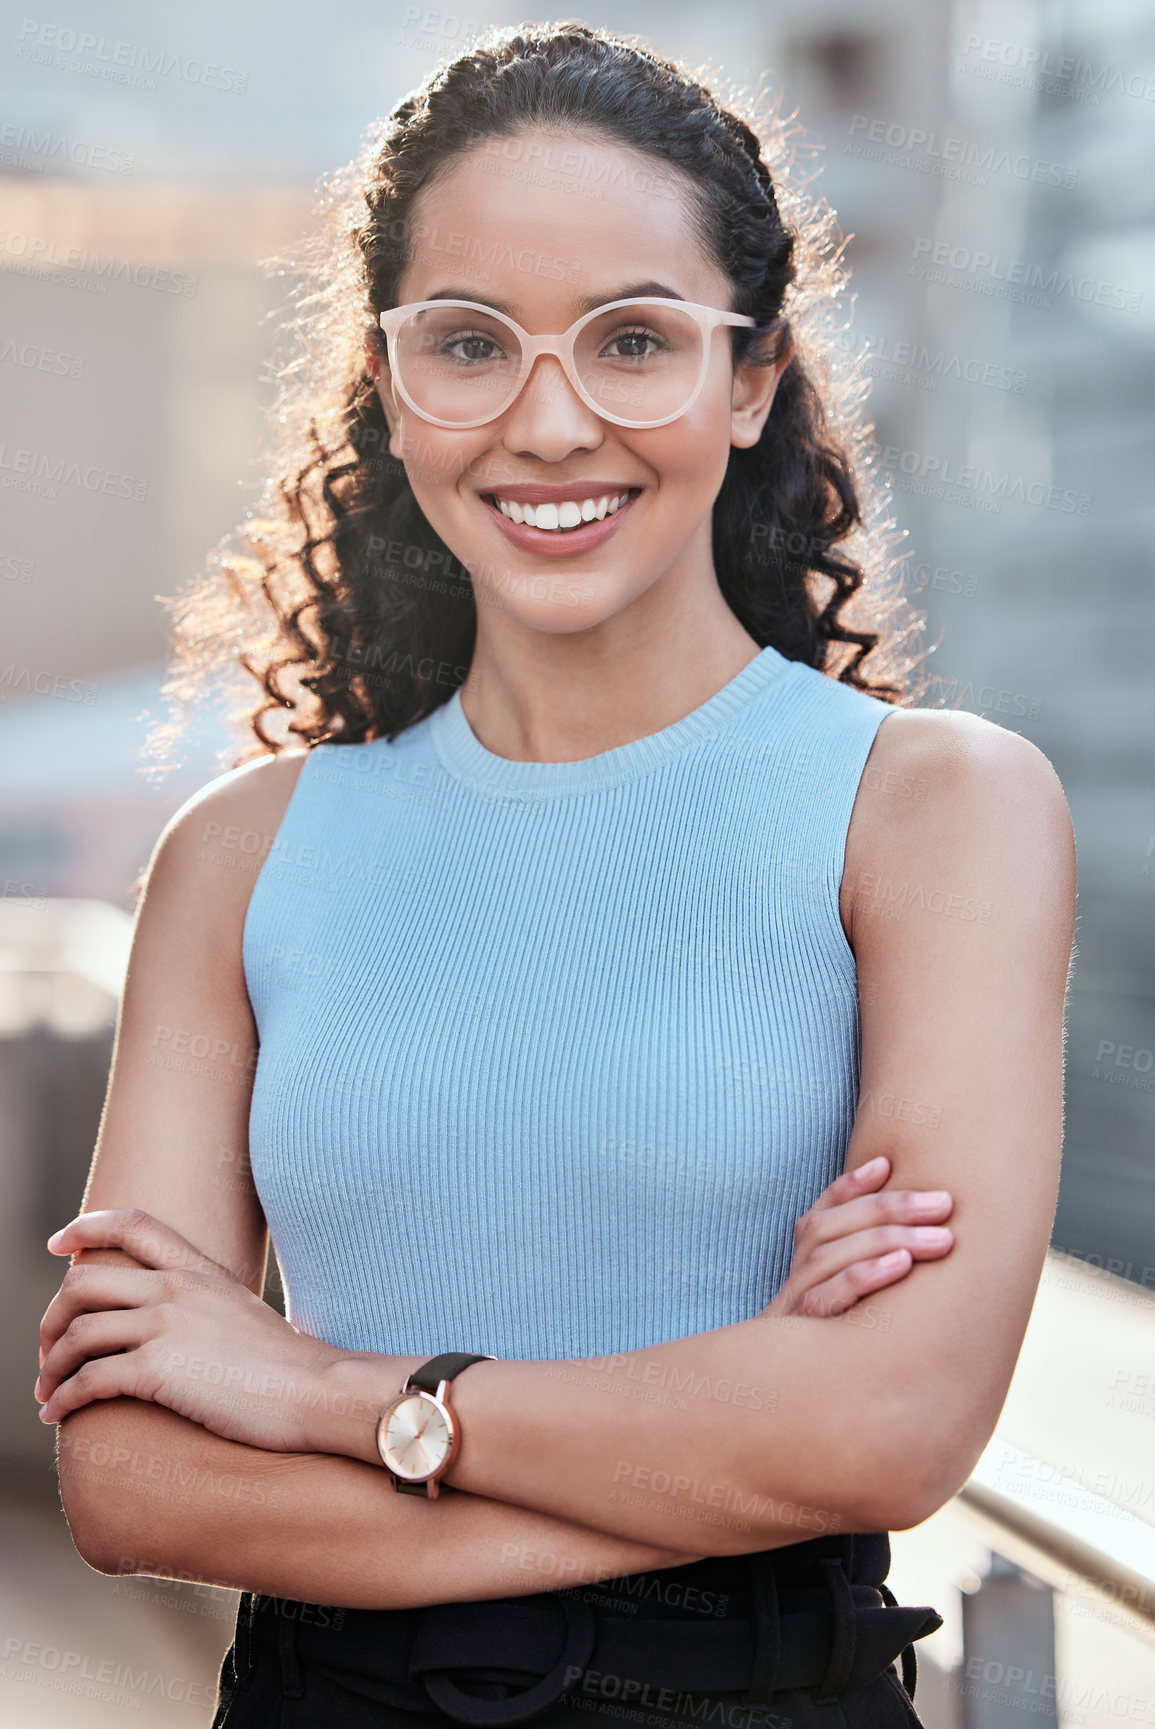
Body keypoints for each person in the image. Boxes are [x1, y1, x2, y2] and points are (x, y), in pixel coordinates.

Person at [35, 21, 1076, 1729]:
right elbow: (137, 1483)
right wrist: (732, 1437)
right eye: (471, 342)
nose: (549, 420)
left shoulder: (935, 808)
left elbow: (890, 1431)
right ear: (390, 381)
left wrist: (317, 1388)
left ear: (750, 378)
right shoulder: (238, 852)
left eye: (634, 340)